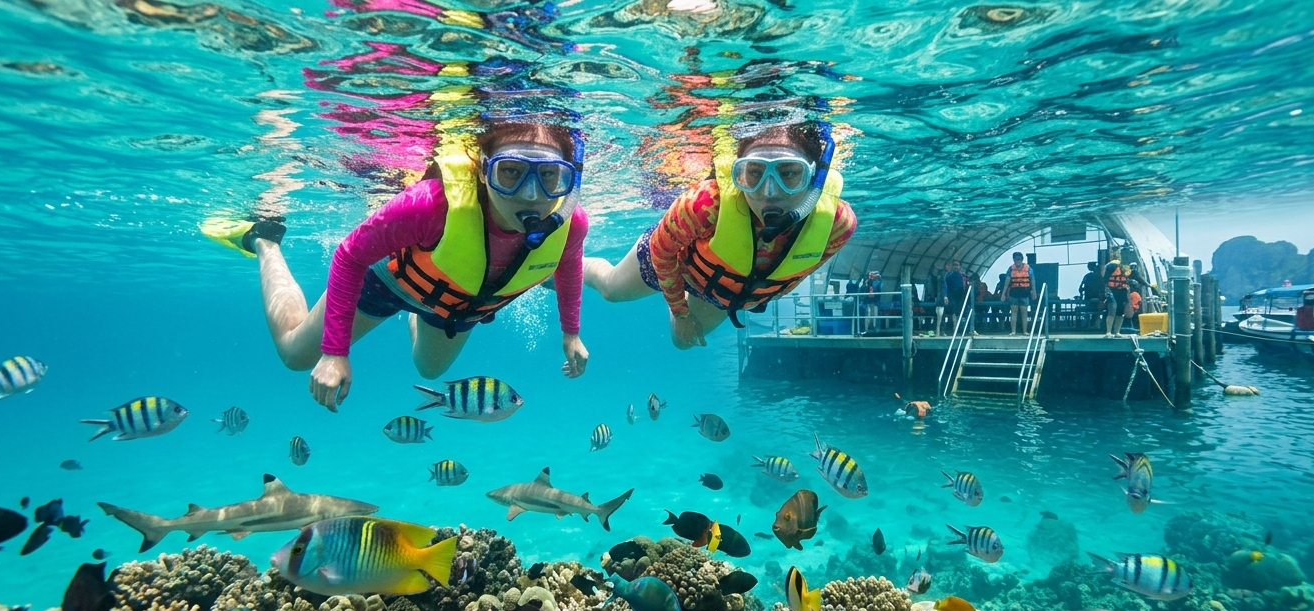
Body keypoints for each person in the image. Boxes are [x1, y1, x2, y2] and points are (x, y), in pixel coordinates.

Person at [210, 121, 591, 411]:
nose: (530, 194)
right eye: (510, 172)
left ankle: (420, 313)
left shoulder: (572, 224)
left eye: (548, 176)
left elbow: (568, 265)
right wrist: (334, 352)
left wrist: (571, 333)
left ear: (567, 179)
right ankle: (265, 240)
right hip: (387, 284)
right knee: (295, 356)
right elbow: (349, 254)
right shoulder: (430, 204)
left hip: (455, 306)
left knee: (430, 372)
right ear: (482, 170)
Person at [583, 121, 857, 348]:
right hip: (676, 263)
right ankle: (572, 267)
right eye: (754, 174)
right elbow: (662, 251)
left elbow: (798, 269)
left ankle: (678, 299)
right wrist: (680, 312)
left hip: (719, 288)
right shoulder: (705, 204)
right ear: (739, 174)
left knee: (683, 344)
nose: (769, 192)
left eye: (789, 174)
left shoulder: (838, 224)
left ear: (814, 177)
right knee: (610, 290)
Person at [1004, 252, 1036, 336]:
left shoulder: (1028, 268)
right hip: (1014, 292)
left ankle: (1025, 331)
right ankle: (1013, 331)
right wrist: (1004, 293)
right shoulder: (1011, 269)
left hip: (1024, 292)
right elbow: (1007, 281)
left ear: (1022, 259)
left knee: (1024, 312)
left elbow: (1032, 280)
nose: (1017, 261)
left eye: (1018, 259)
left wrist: (1034, 292)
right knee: (1013, 312)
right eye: (1015, 259)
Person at [1101, 248, 1128, 338]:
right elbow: (1105, 280)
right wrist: (1105, 291)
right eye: (1114, 253)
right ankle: (1108, 332)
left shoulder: (1124, 267)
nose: (1116, 254)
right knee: (1112, 310)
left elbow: (1132, 277)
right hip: (1112, 290)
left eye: (1118, 253)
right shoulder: (1109, 266)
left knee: (1120, 312)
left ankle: (1117, 332)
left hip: (1122, 291)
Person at [942, 259, 969, 334]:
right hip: (952, 295)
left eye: (957, 265)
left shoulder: (963, 275)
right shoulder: (949, 275)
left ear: (960, 266)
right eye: (954, 265)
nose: (956, 267)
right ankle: (954, 328)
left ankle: (959, 327)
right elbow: (945, 286)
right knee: (953, 312)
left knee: (959, 312)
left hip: (960, 296)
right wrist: (945, 295)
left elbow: (966, 285)